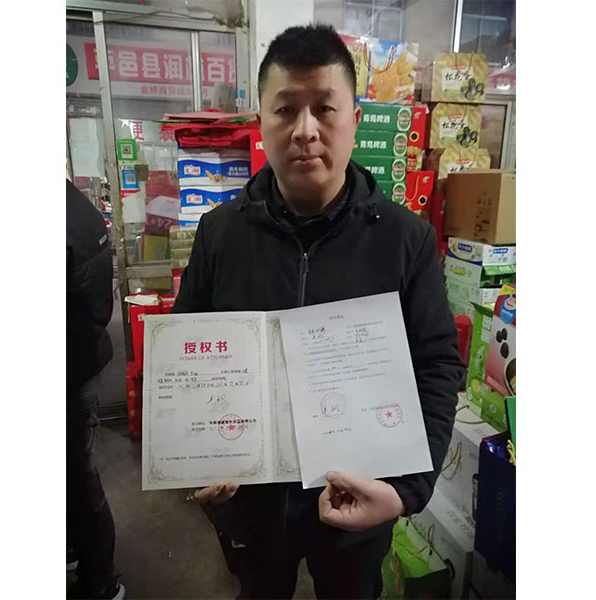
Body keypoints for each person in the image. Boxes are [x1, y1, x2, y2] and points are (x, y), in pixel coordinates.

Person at [172, 24, 464, 599]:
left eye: (325, 109)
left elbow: (437, 365)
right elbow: (186, 358)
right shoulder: (219, 235)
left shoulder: (405, 241)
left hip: (358, 503)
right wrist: (193, 458)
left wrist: (407, 490)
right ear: (262, 122)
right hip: (251, 508)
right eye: (286, 110)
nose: (305, 130)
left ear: (355, 119)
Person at [66, 179, 125, 600]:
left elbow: (90, 305)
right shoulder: (76, 204)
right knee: (77, 476)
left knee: (78, 478)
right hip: (81, 362)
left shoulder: (69, 214)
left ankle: (100, 580)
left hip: (71, 371)